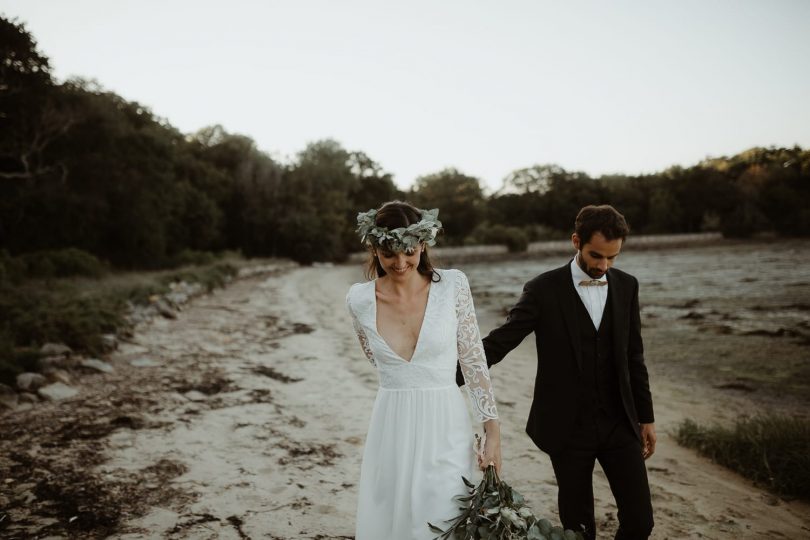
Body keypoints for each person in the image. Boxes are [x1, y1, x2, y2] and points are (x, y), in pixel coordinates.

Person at [459, 205, 655, 540]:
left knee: (640, 521)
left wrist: (646, 417)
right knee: (578, 528)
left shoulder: (627, 286)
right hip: (568, 426)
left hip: (619, 422)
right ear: (575, 241)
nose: (603, 266)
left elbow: (634, 356)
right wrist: (447, 374)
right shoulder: (543, 289)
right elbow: (502, 340)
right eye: (596, 255)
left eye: (613, 258)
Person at [346, 201, 501, 540]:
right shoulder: (358, 300)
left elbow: (474, 361)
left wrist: (492, 431)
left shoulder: (453, 286)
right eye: (389, 254)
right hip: (392, 427)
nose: (400, 263)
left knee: (443, 516)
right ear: (374, 249)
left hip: (446, 422)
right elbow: (376, 358)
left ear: (423, 243)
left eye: (409, 252)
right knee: (393, 520)